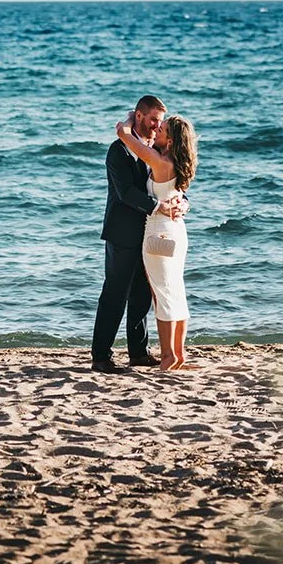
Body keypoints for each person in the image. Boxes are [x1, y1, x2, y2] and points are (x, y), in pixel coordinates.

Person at [91, 95, 185, 373]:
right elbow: (125, 192)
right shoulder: (117, 151)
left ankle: (138, 352)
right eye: (153, 119)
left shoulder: (154, 150)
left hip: (150, 234)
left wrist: (182, 203)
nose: (157, 126)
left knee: (143, 294)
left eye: (160, 121)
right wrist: (159, 206)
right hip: (122, 232)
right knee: (114, 293)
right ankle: (101, 356)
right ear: (140, 117)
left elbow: (170, 181)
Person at [115, 110, 198, 370]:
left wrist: (131, 117)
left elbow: (123, 135)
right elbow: (179, 197)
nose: (157, 130)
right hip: (176, 231)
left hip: (159, 231)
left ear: (171, 140)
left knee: (162, 294)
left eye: (161, 130)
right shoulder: (177, 163)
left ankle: (168, 356)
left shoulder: (161, 162)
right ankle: (179, 354)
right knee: (176, 291)